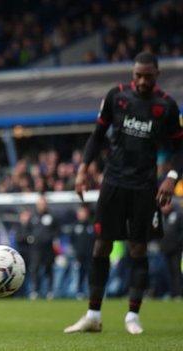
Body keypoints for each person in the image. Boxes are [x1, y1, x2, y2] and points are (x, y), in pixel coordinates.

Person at [65, 52, 183, 335]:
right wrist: (83, 170)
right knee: (101, 245)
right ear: (132, 74)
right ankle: (93, 314)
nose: (142, 81)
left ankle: (133, 315)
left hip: (145, 187)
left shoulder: (166, 106)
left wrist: (171, 177)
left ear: (156, 75)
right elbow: (97, 136)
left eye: (148, 76)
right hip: (113, 183)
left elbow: (180, 149)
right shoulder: (116, 97)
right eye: (137, 76)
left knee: (138, 248)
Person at [70, 205, 95, 299]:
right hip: (78, 256)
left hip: (90, 255)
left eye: (83, 212)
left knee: (91, 275)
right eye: (80, 212)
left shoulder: (91, 226)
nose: (81, 214)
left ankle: (90, 292)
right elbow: (72, 240)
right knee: (80, 274)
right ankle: (79, 292)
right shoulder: (75, 226)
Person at [159, 202, 182, 298]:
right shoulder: (161, 217)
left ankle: (178, 294)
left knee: (176, 271)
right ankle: (171, 293)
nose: (164, 208)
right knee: (167, 272)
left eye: (166, 205)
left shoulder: (178, 215)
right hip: (164, 249)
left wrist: (178, 243)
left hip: (176, 249)